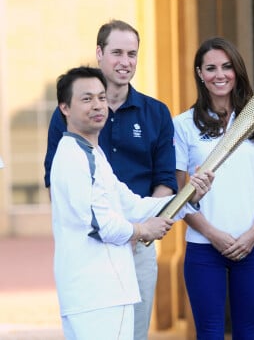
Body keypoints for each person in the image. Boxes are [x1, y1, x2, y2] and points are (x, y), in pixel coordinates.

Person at [50, 66, 213, 339]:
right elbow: (100, 223)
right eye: (87, 99)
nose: (97, 105)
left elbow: (133, 205)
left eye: (101, 98)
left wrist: (188, 197)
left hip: (108, 293)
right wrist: (141, 231)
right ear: (65, 107)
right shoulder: (74, 158)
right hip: (95, 295)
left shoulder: (93, 153)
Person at [43, 19, 176, 339]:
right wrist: (134, 230)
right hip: (93, 262)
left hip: (134, 250)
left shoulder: (152, 115)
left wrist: (186, 202)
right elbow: (79, 205)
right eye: (117, 52)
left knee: (134, 333)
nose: (125, 61)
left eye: (132, 54)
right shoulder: (72, 133)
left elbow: (154, 186)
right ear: (99, 53)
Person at [173, 37, 254, 338]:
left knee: (249, 333)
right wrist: (212, 234)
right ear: (200, 74)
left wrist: (253, 233)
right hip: (204, 248)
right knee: (210, 333)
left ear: (237, 71)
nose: (220, 75)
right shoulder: (182, 125)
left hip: (252, 246)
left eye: (227, 67)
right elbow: (178, 193)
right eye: (211, 68)